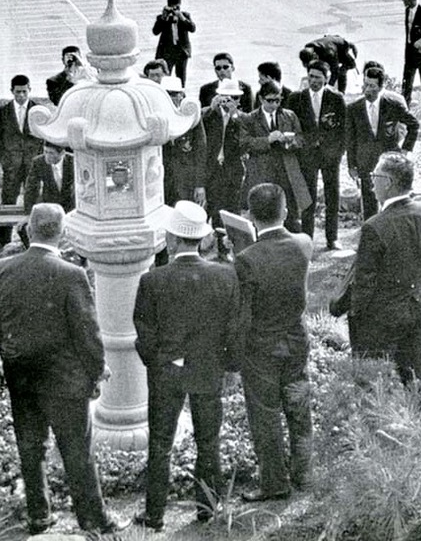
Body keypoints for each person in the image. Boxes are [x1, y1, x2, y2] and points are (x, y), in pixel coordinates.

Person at [0, 203, 125, 536]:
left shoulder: (2, 267)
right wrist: (97, 370)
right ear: (64, 234)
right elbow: (88, 332)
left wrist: (9, 351)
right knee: (76, 451)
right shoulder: (71, 274)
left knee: (31, 448)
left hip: (20, 374)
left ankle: (39, 515)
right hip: (64, 379)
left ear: (29, 230)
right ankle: (93, 520)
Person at [133, 202, 241, 530]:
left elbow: (143, 332)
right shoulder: (225, 275)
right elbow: (234, 329)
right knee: (209, 441)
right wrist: (231, 367)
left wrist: (158, 362)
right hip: (208, 368)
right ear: (203, 239)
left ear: (172, 238)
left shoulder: (153, 280)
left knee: (160, 445)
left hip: (167, 371)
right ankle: (208, 507)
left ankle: (154, 516)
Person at [235, 184, 313, 502]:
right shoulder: (303, 245)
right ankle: (304, 474)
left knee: (265, 415)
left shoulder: (245, 259)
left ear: (251, 216)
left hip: (262, 346)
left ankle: (274, 482)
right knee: (299, 409)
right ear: (284, 211)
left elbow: (244, 313)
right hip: (296, 337)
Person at [349, 152, 421, 414]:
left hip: (380, 317)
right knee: (415, 375)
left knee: (372, 386)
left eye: (375, 177)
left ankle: (376, 437)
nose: (371, 182)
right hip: (415, 307)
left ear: (388, 182)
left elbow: (364, 282)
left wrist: (356, 316)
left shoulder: (375, 226)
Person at [287, 60, 347, 250]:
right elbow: (291, 127)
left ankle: (332, 237)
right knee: (308, 198)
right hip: (307, 156)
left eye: (318, 77)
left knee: (332, 195)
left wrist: (338, 153)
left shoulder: (336, 98)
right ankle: (308, 238)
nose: (313, 81)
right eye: (310, 76)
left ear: (327, 78)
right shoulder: (297, 98)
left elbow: (344, 130)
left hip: (330, 155)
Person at [345, 66, 419, 219]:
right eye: (365, 85)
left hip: (389, 162)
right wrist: (351, 165)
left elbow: (414, 125)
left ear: (381, 87)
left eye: (372, 86)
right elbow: (350, 139)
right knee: (369, 203)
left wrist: (405, 150)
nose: (367, 90)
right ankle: (371, 237)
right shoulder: (353, 108)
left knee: (393, 202)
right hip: (365, 162)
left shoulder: (392, 104)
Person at [239, 79, 311, 232]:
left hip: (286, 174)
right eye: (270, 101)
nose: (274, 105)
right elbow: (245, 143)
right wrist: (268, 140)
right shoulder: (250, 119)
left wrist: (291, 142)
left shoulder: (289, 116)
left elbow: (301, 138)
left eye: (278, 100)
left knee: (290, 215)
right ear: (260, 99)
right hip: (261, 173)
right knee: (262, 216)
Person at [0, 74, 44, 253]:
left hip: (32, 164)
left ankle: (33, 240)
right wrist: (4, 159)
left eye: (24, 91)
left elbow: (43, 137)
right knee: (7, 201)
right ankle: (2, 241)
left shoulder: (38, 110)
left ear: (30, 90)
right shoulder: (1, 112)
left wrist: (39, 159)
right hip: (11, 165)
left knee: (33, 201)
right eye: (18, 92)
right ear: (11, 91)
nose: (21, 95)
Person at [202, 79, 246, 258]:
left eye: (234, 98)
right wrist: (212, 109)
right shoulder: (208, 114)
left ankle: (226, 250)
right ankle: (207, 248)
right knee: (213, 210)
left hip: (232, 171)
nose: (230, 102)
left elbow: (243, 145)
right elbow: (200, 134)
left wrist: (235, 117)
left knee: (232, 211)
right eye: (227, 98)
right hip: (212, 171)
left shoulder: (241, 119)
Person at [162, 77, 207, 206]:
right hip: (164, 182)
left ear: (181, 95)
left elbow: (200, 152)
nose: (171, 98)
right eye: (167, 94)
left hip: (187, 182)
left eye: (174, 94)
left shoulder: (191, 117)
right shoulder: (158, 117)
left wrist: (200, 185)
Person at [152, 0, 196, 87]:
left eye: (177, 7)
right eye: (172, 7)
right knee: (165, 77)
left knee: (181, 78)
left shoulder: (185, 15)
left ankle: (181, 95)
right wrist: (164, 17)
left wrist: (182, 18)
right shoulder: (163, 17)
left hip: (182, 52)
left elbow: (192, 28)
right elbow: (155, 31)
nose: (175, 10)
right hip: (167, 52)